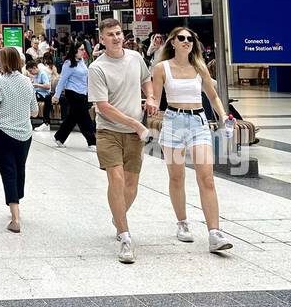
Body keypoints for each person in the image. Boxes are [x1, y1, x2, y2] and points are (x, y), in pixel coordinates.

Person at [149, 28, 233, 253]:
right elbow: (156, 99)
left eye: (190, 39)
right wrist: (150, 105)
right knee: (177, 177)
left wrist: (223, 116)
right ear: (172, 42)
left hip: (198, 123)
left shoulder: (199, 67)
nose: (187, 42)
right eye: (181, 38)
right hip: (174, 123)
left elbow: (212, 96)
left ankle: (214, 232)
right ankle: (182, 222)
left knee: (207, 178)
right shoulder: (161, 68)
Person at [88, 18, 156, 264]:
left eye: (118, 33)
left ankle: (119, 217)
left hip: (134, 134)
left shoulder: (136, 58)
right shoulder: (97, 68)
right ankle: (125, 235)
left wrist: (150, 97)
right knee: (116, 178)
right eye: (110, 34)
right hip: (109, 131)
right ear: (102, 39)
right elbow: (103, 106)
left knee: (131, 183)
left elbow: (146, 80)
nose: (116, 38)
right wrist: (136, 124)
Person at [0, 45, 35, 233]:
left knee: (8, 171)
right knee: (20, 168)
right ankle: (17, 200)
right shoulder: (27, 82)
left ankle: (15, 217)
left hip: (3, 134)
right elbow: (34, 110)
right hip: (25, 133)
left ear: (5, 62)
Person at [52, 42, 95, 150]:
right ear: (74, 50)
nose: (83, 51)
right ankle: (92, 142)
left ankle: (59, 137)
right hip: (73, 93)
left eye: (83, 49)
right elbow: (62, 80)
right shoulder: (68, 63)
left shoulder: (82, 62)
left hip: (82, 93)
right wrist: (57, 95)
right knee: (84, 117)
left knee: (73, 118)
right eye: (81, 49)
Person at [33, 54, 55, 131]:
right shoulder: (35, 75)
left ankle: (46, 123)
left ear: (34, 68)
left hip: (44, 94)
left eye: (30, 71)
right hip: (38, 93)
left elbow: (48, 86)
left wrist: (37, 85)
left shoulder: (42, 73)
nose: (31, 73)